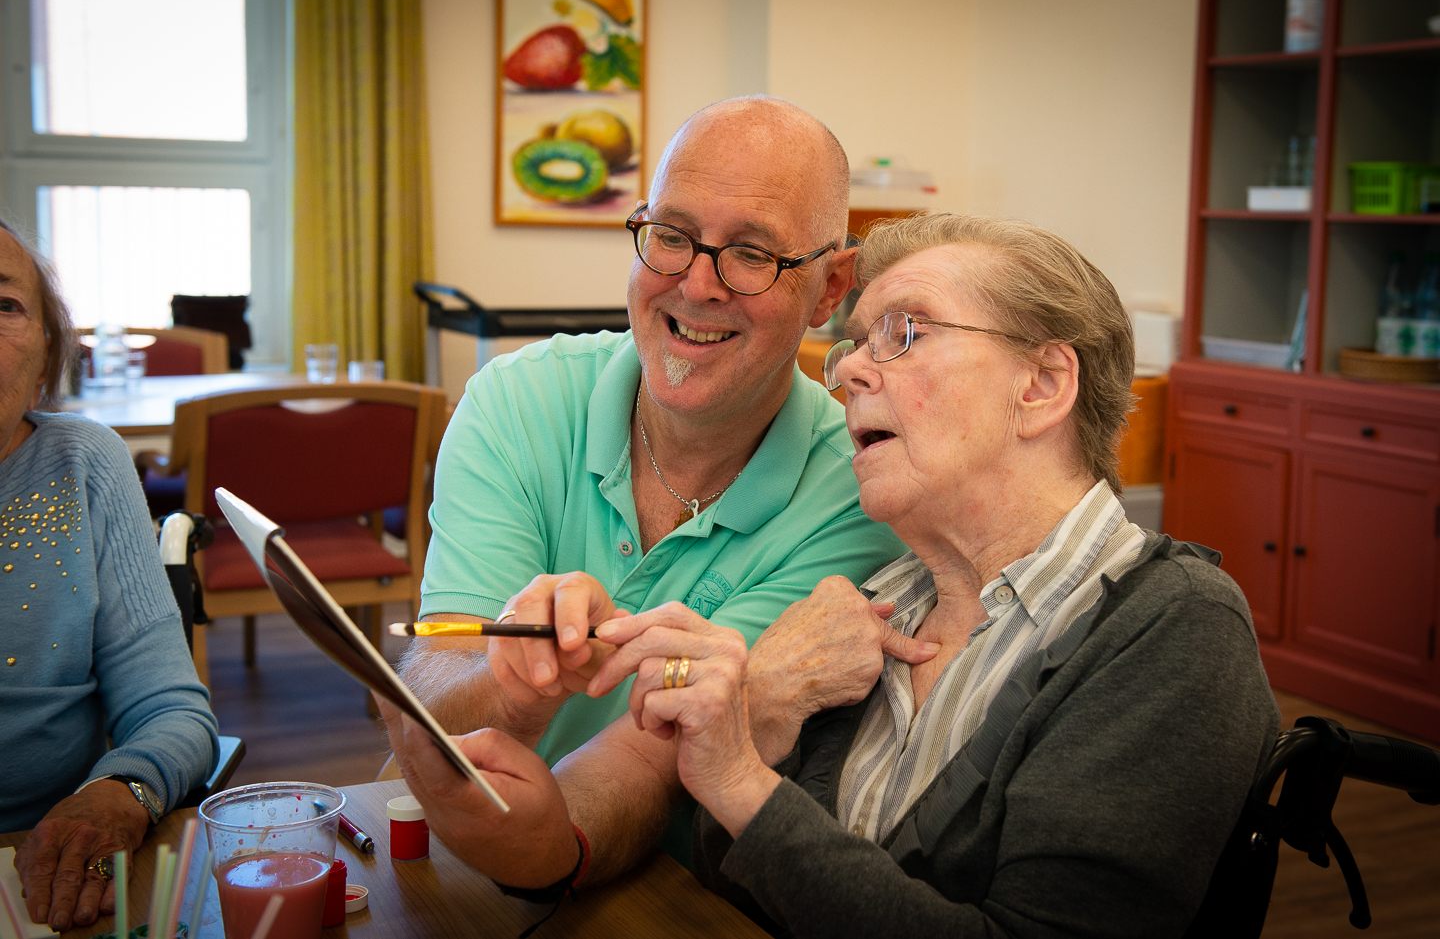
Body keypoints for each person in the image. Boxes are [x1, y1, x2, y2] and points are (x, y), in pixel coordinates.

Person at [584, 212, 1282, 937]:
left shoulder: (1176, 626)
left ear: (1041, 384)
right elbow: (740, 888)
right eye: (853, 345)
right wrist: (759, 715)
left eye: (905, 332)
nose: (849, 370)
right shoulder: (868, 605)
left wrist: (741, 783)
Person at [385, 97, 913, 890]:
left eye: (750, 253)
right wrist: (517, 679)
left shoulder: (853, 492)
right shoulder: (515, 403)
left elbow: (661, 750)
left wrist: (552, 843)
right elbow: (437, 678)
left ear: (830, 289)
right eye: (670, 235)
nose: (696, 285)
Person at [0, 217, 219, 931]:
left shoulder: (84, 464)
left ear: (45, 362)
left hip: (56, 875)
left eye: (5, 305)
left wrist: (119, 791)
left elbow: (172, 710)